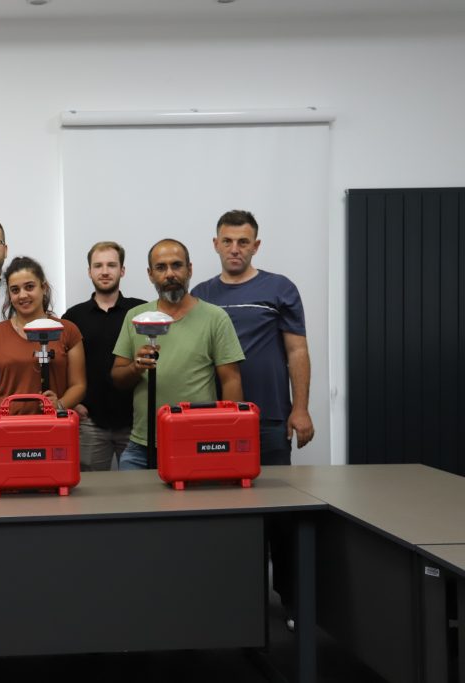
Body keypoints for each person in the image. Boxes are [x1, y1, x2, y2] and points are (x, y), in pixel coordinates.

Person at [191, 209, 314, 628]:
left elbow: (297, 350)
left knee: (279, 515)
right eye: (227, 241)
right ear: (215, 244)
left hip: (270, 419)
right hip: (216, 422)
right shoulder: (201, 294)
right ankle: (232, 607)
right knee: (225, 515)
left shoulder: (279, 288)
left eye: (243, 242)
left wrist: (300, 408)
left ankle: (292, 602)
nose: (235, 249)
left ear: (256, 246)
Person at [111, 239, 244, 470]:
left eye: (177, 265)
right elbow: (117, 377)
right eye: (161, 267)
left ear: (189, 269)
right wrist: (136, 368)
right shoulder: (137, 317)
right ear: (150, 274)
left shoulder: (215, 318)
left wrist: (228, 437)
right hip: (142, 446)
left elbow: (231, 380)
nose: (170, 274)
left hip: (198, 442)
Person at [62, 242, 145, 471]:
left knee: (140, 486)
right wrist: (73, 403)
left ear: (122, 270)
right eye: (98, 266)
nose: (105, 271)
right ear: (89, 271)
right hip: (90, 421)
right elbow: (61, 365)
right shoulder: (73, 317)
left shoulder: (140, 312)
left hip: (135, 422)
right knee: (90, 488)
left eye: (111, 265)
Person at [0, 256, 85, 417]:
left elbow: (78, 385)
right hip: (6, 427)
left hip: (54, 427)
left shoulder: (68, 331)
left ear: (44, 288)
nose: (22, 295)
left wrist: (60, 405)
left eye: (29, 287)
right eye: (15, 290)